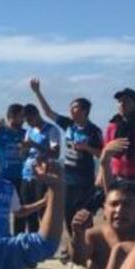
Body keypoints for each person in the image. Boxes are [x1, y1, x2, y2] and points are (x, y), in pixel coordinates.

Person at [30, 78, 104, 228]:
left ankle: (85, 247)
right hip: (68, 178)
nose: (70, 110)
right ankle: (71, 247)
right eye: (70, 108)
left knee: (82, 216)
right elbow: (48, 113)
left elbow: (102, 154)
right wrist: (37, 92)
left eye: (74, 108)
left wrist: (87, 148)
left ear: (84, 111)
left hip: (84, 181)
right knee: (67, 214)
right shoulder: (69, 124)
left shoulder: (94, 131)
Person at [18, 104, 61, 233]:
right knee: (29, 211)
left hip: (42, 175)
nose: (29, 124)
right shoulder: (29, 131)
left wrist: (34, 144)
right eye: (26, 121)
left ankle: (45, 240)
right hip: (27, 174)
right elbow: (25, 153)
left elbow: (55, 153)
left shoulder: (51, 130)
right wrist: (23, 149)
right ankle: (32, 241)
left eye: (30, 120)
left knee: (43, 211)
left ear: (37, 114)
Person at [104, 88, 135, 180]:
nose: (122, 104)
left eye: (126, 101)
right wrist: (102, 172)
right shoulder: (112, 125)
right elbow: (105, 151)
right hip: (118, 175)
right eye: (119, 101)